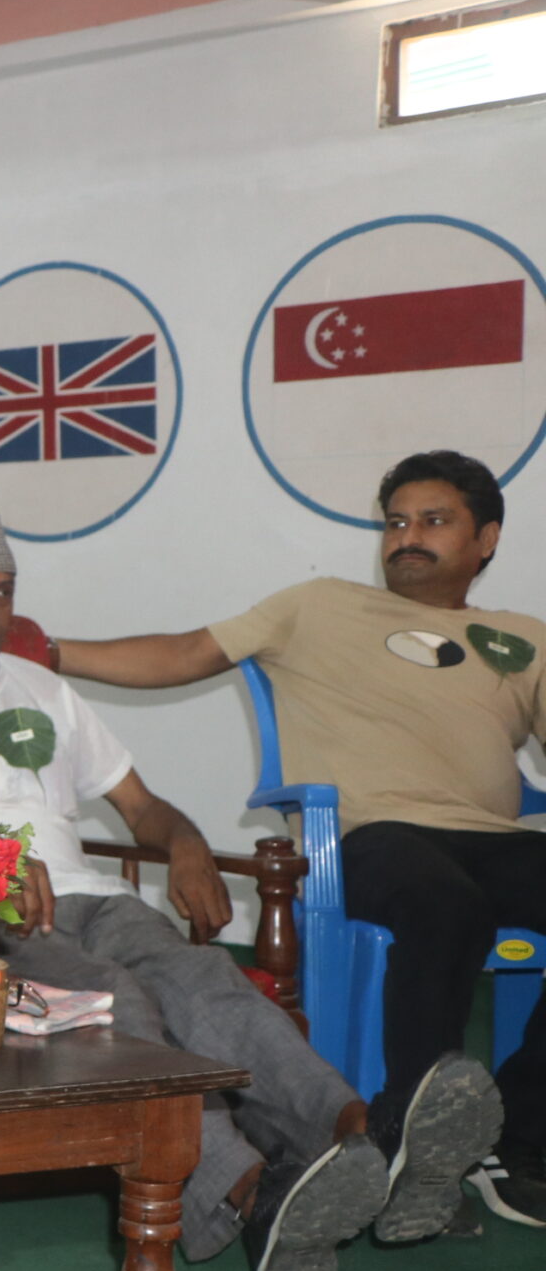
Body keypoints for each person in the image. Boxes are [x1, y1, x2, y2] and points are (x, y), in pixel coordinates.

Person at [0, 499, 451, 1271]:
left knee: (201, 977)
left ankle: (363, 1138)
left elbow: (141, 806)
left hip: (92, 895)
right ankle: (248, 1195)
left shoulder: (45, 689)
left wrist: (185, 841)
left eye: (1, 591)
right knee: (112, 996)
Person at [56, 452, 533, 1228]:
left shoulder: (522, 638)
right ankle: (409, 1138)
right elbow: (184, 653)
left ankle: (519, 1132)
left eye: (433, 521)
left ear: (486, 539)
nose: (407, 536)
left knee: (465, 891)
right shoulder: (320, 605)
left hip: (492, 837)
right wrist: (46, 652)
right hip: (369, 837)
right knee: (448, 904)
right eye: (396, 522)